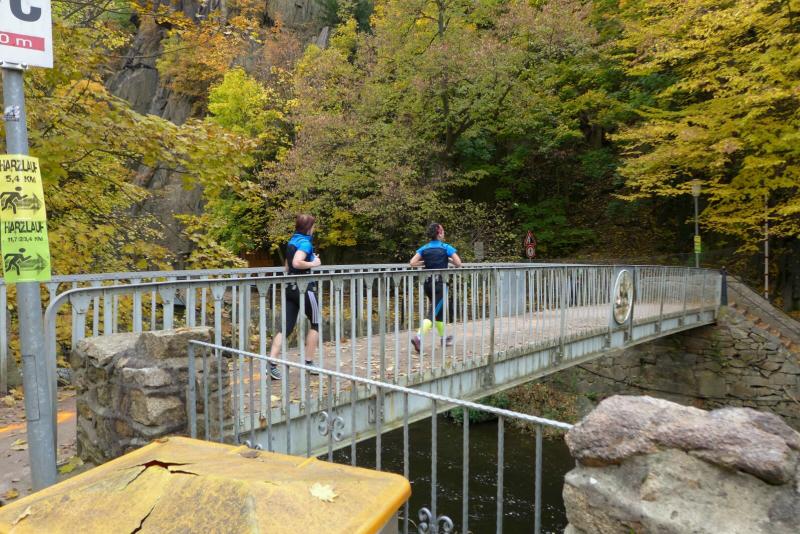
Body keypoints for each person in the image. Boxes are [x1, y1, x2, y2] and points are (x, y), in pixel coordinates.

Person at [268, 214, 322, 379]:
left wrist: (306, 261)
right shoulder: (305, 243)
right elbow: (297, 262)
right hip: (305, 288)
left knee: (286, 327)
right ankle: (309, 363)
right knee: (316, 323)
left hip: (290, 288)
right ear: (309, 228)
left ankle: (271, 364)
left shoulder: (292, 241)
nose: (314, 229)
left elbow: (287, 266)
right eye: (313, 226)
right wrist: (314, 263)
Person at [409, 223, 462, 353]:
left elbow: (412, 263)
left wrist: (425, 262)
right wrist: (448, 260)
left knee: (439, 311)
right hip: (440, 284)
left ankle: (443, 339)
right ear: (439, 233)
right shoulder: (446, 247)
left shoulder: (425, 248)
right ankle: (418, 337)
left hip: (428, 284)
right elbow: (458, 263)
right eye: (442, 231)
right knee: (433, 312)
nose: (444, 233)